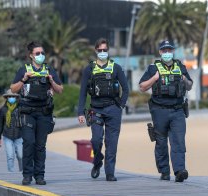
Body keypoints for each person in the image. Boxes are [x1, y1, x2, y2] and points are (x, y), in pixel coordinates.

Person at [139, 40, 193, 182]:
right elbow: (142, 87)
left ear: (173, 51)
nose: (167, 53)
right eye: (164, 51)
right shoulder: (153, 68)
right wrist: (155, 78)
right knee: (161, 142)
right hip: (159, 110)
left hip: (177, 110)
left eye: (169, 50)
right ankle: (164, 171)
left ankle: (180, 171)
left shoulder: (180, 66)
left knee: (178, 141)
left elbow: (190, 86)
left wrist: (184, 79)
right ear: (160, 52)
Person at [10, 41, 63, 185]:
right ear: (31, 56)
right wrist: (24, 79)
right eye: (37, 53)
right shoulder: (24, 69)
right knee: (29, 142)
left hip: (44, 113)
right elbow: (13, 89)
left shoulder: (49, 70)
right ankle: (27, 175)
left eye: (42, 53)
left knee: (40, 145)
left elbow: (59, 90)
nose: (41, 55)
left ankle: (39, 175)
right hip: (27, 112)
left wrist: (51, 81)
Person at [77, 38, 129, 181]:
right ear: (95, 51)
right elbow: (82, 92)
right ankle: (97, 160)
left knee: (112, 143)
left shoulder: (116, 68)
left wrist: (121, 106)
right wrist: (80, 112)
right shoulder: (89, 69)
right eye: (99, 50)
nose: (102, 52)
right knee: (96, 140)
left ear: (108, 51)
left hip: (113, 109)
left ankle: (110, 173)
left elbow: (126, 89)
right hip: (96, 109)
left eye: (104, 50)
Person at [0, 90, 23, 172]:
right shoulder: (3, 109)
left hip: (19, 135)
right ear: (7, 98)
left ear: (16, 98)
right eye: (9, 96)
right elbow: (0, 124)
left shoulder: (21, 108)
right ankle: (11, 173)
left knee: (21, 155)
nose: (11, 98)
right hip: (7, 136)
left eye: (13, 97)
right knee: (10, 156)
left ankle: (22, 171)